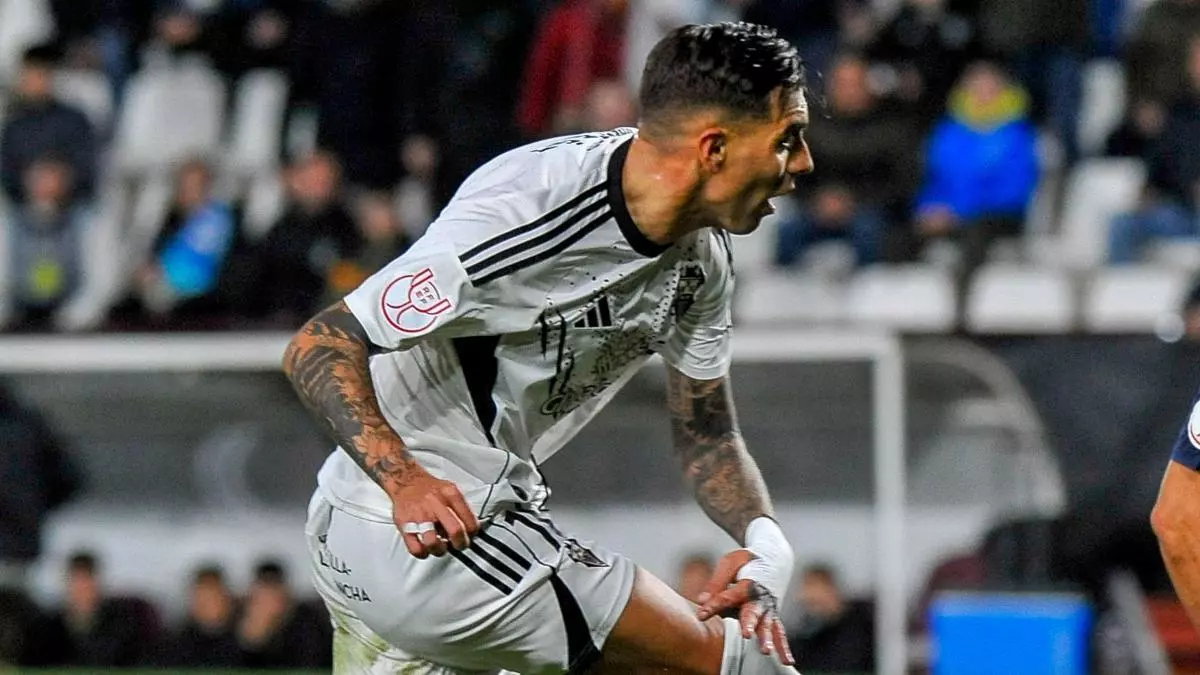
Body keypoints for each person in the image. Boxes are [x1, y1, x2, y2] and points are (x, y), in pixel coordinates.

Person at [285, 21, 811, 674]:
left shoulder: (702, 259)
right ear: (714, 148)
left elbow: (707, 434)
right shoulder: (531, 212)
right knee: (746, 666)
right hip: (427, 535)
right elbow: (320, 343)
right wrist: (406, 480)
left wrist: (767, 543)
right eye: (787, 140)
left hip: (414, 534)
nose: (803, 164)